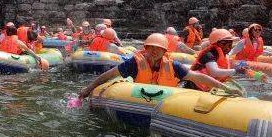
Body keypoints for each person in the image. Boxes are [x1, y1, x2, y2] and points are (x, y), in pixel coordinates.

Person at [77, 33, 232, 100]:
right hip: (138, 99)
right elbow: (109, 75)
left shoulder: (173, 65)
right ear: (146, 48)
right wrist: (88, 89)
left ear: (165, 51)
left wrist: (223, 88)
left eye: (159, 48)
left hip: (165, 100)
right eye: (151, 47)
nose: (154, 51)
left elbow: (198, 76)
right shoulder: (134, 63)